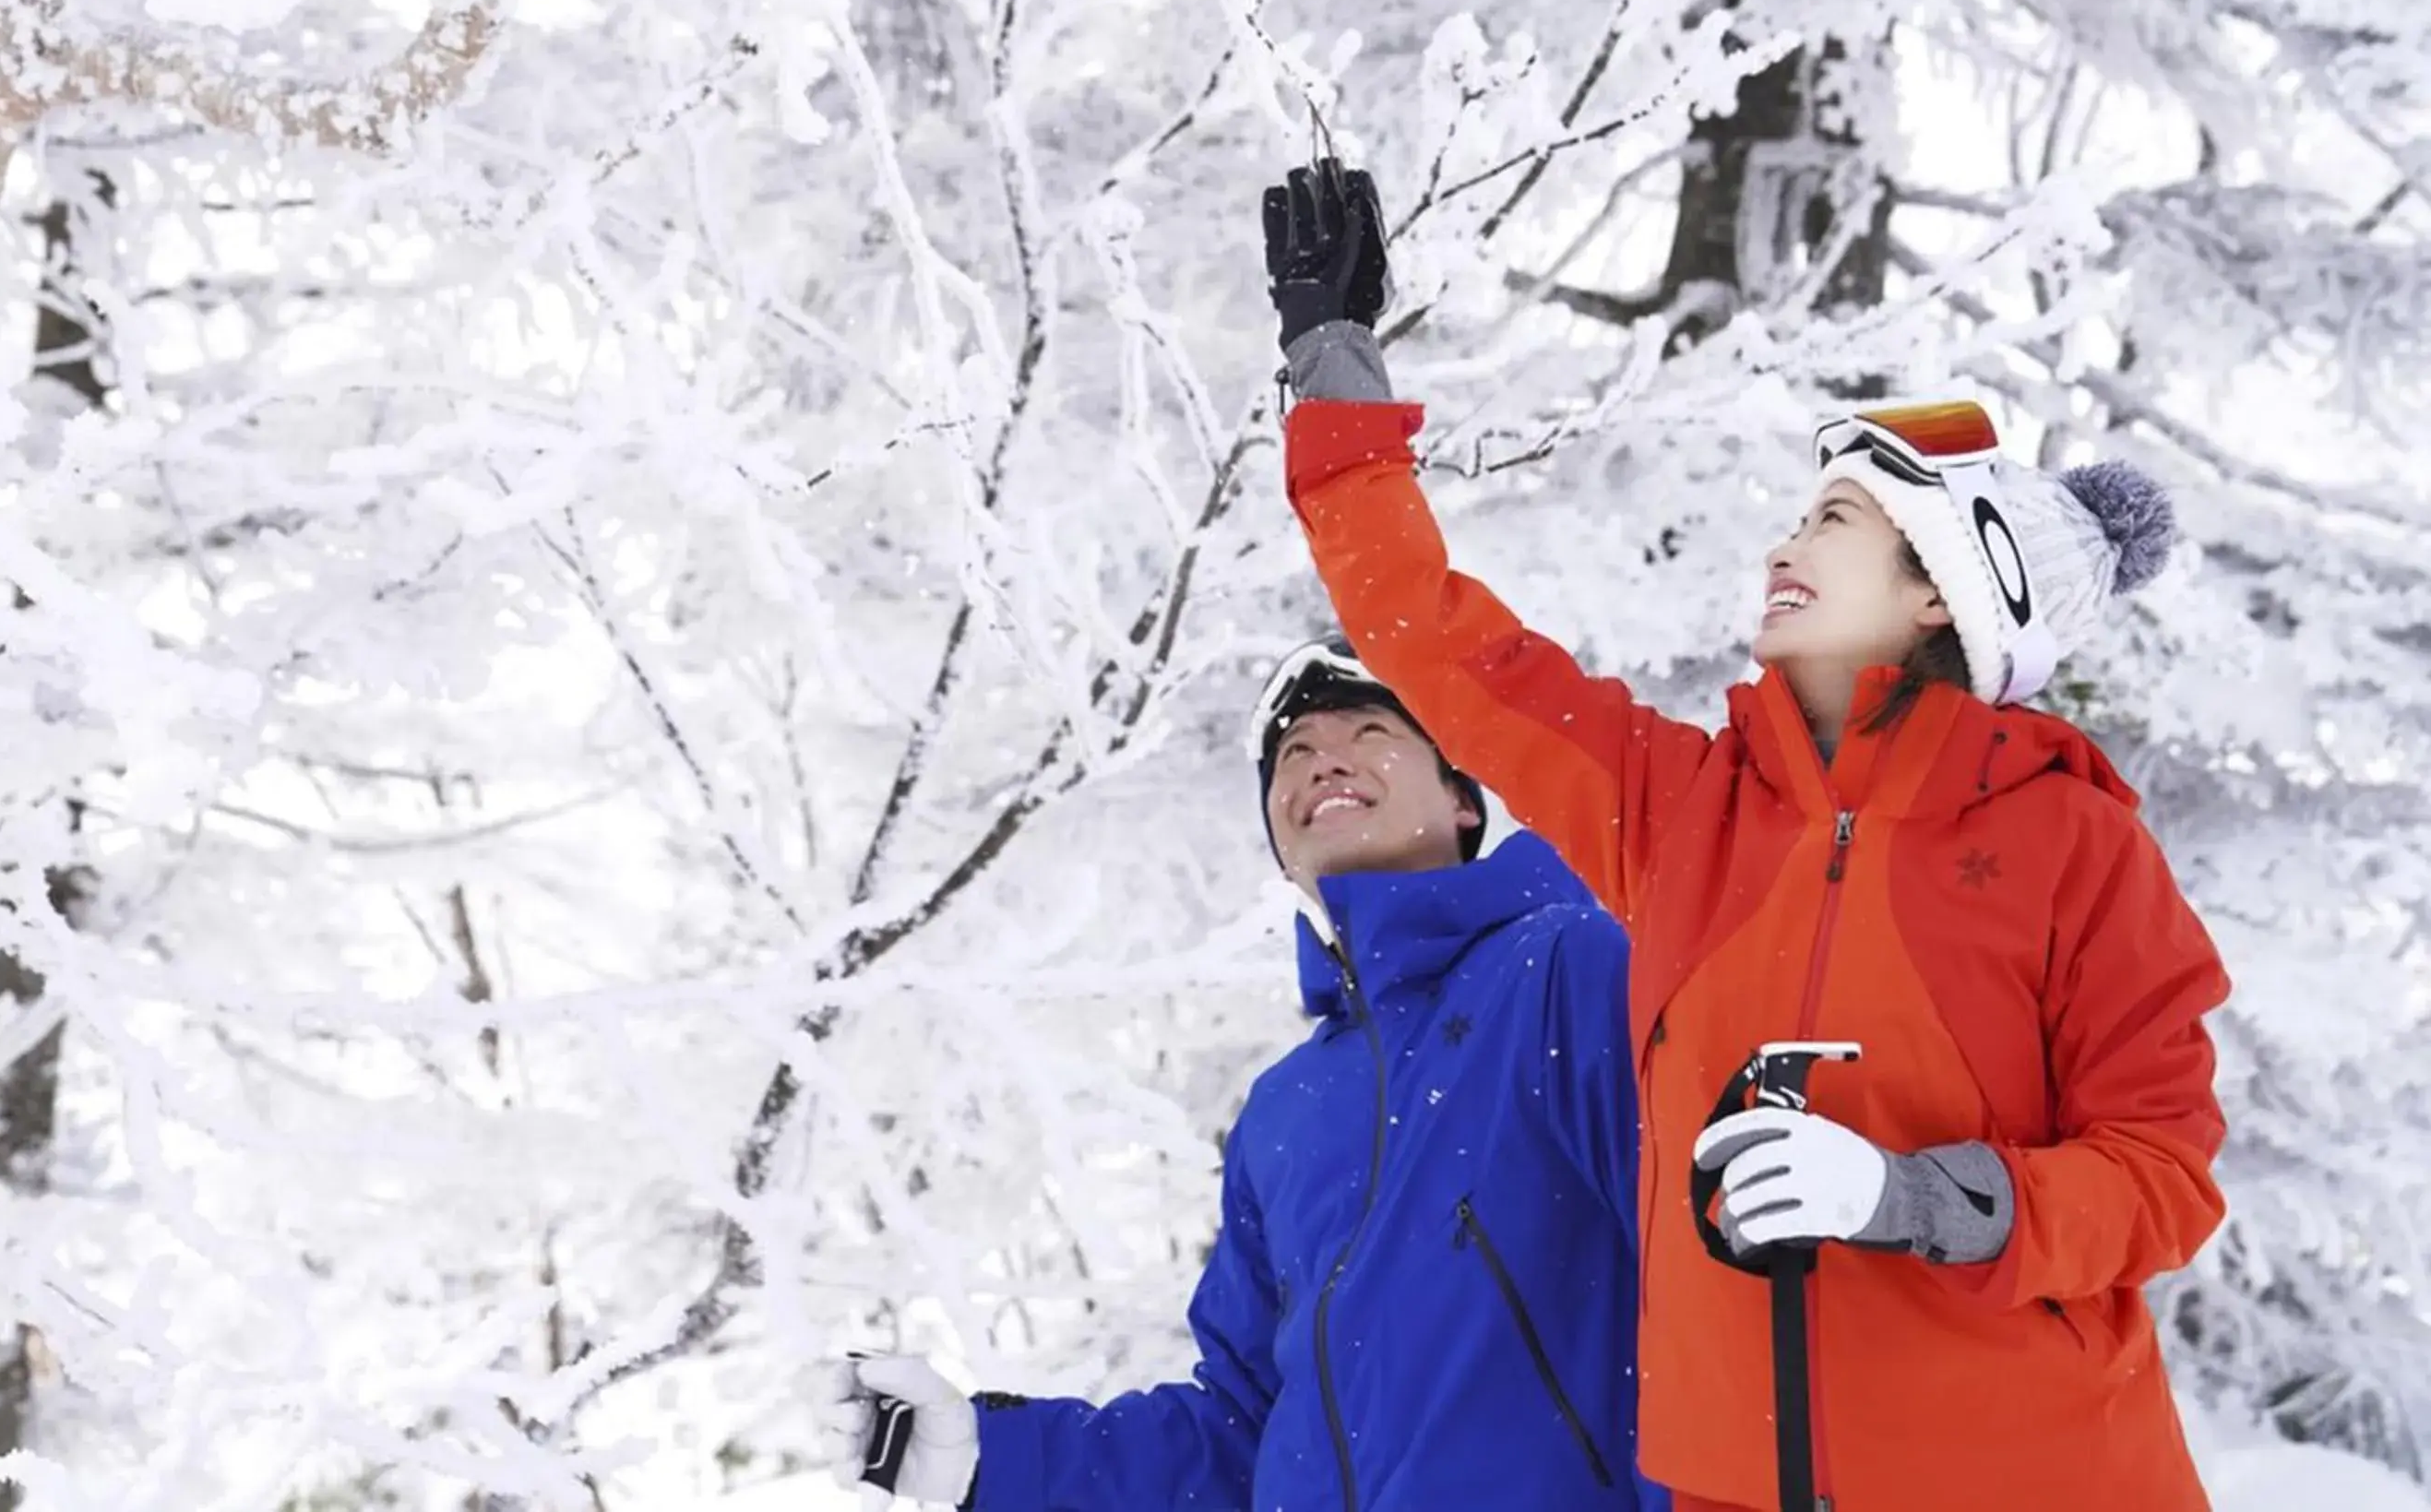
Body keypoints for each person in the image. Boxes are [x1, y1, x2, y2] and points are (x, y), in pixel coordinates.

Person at [1259, 160, 2231, 1512]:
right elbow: (1439, 644)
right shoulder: (1681, 813)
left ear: (1944, 592)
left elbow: (2160, 1178)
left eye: (1834, 520)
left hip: (2034, 1475)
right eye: (1798, 512)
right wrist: (1334, 369)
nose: (1786, 541)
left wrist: (1907, 1195)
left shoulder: (2074, 842)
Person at [818, 637, 1665, 1510]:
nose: (1322, 758)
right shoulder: (1283, 1115)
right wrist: (989, 1462)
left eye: (1370, 730)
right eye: (1292, 754)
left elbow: (1704, 1281)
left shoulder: (1569, 971)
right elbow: (1240, 1432)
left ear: (1461, 799)